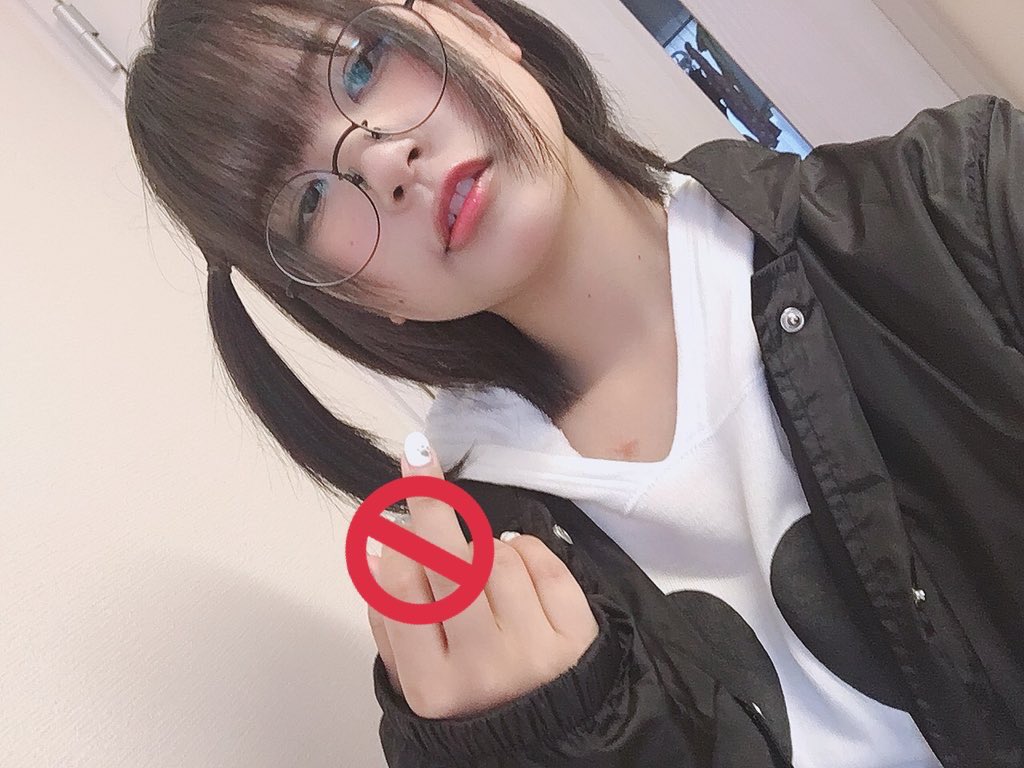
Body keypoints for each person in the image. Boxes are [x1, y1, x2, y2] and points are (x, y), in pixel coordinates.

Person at [123, 0, 1024, 765]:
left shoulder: (959, 207)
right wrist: (556, 735)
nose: (384, 164)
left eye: (361, 66)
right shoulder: (472, 634)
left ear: (476, 25)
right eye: (309, 201)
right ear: (351, 296)